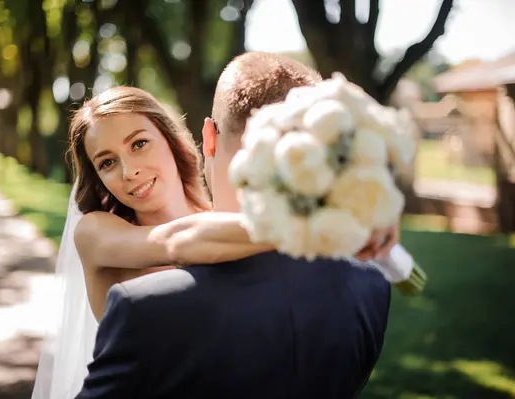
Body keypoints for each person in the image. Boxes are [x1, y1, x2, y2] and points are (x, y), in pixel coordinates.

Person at [74, 52, 393, 399]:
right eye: (107, 162)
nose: (128, 171)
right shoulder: (95, 232)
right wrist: (323, 220)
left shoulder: (223, 221)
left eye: (139, 144)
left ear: (171, 140)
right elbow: (174, 243)